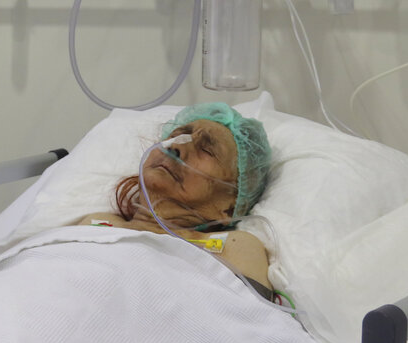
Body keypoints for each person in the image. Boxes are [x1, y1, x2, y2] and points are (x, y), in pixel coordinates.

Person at [76, 102, 275, 296]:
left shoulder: (233, 246)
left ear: (230, 207)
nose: (177, 147)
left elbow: (247, 320)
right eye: (175, 136)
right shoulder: (100, 222)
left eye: (206, 150)